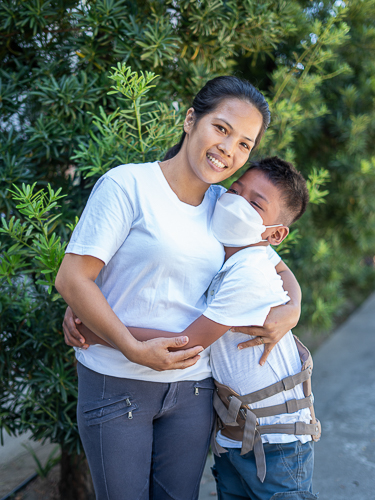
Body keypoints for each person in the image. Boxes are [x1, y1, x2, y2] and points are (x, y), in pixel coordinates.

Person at [56, 76, 302, 500]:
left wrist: (293, 309)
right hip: (117, 382)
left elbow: (274, 265)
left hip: (194, 388)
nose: (229, 149)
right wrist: (124, 343)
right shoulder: (128, 186)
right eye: (221, 128)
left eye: (244, 143)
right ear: (191, 120)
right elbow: (72, 278)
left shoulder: (226, 206)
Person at [116, 157, 320, 499]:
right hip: (232, 440)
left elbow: (186, 344)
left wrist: (97, 327)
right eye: (236, 189)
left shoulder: (250, 269)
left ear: (274, 233)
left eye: (255, 203)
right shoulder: (232, 247)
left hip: (277, 442)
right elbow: (283, 269)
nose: (236, 202)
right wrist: (294, 306)